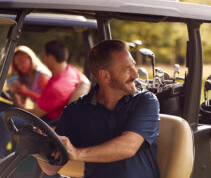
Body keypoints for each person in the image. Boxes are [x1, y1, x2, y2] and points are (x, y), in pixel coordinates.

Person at [37, 39, 160, 178]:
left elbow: (128, 146)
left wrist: (77, 153)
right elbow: (51, 169)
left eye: (133, 66)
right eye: (127, 69)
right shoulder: (76, 111)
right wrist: (39, 148)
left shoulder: (145, 101)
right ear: (105, 76)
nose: (135, 74)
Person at [0, 40, 90, 158]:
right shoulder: (69, 71)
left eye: (45, 56)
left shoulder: (57, 87)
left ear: (50, 58)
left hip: (46, 123)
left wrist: (17, 101)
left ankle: (1, 158)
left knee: (2, 118)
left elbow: (34, 113)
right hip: (46, 116)